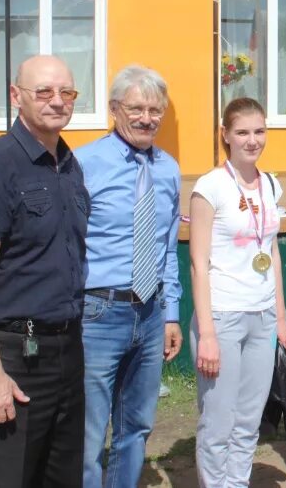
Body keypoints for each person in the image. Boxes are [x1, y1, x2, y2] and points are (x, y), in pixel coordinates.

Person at [0, 55, 89, 487]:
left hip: (66, 350)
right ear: (16, 96)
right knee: (6, 478)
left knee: (61, 478)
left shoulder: (68, 165)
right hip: (13, 355)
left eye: (66, 92)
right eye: (43, 91)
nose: (57, 101)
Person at [76, 65, 183, 488]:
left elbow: (168, 247)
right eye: (136, 108)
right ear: (113, 109)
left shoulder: (168, 168)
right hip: (98, 313)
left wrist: (171, 312)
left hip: (151, 312)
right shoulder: (82, 164)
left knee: (136, 425)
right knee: (87, 432)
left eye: (155, 109)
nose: (147, 118)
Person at [189, 97, 286, 487]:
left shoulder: (269, 183)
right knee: (218, 420)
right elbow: (198, 263)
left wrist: (280, 316)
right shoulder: (210, 187)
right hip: (222, 316)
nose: (253, 140)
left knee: (249, 419)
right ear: (226, 136)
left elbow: (272, 255)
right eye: (243, 132)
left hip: (262, 315)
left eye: (259, 131)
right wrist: (208, 334)